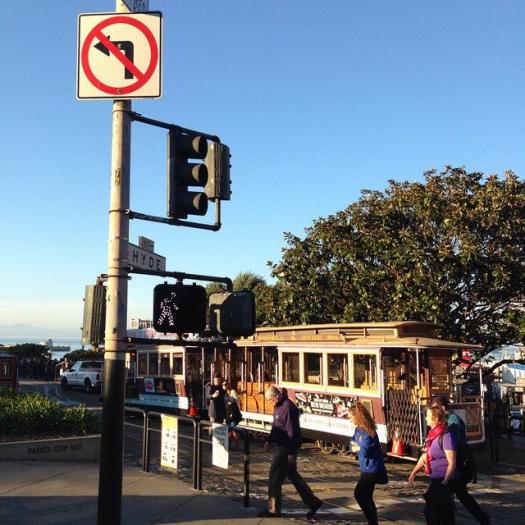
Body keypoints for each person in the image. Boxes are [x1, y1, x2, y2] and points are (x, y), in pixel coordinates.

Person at [258, 385, 323, 518]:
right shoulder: (278, 406)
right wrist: (269, 440)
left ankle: (274, 509)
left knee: (274, 476)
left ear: (276, 396)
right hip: (282, 444)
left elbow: (292, 432)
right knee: (292, 475)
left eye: (271, 400)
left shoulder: (287, 407)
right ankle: (313, 502)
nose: (270, 403)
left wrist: (291, 453)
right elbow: (276, 426)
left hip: (285, 446)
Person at [431, 397, 490, 525]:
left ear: (443, 407)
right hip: (450, 464)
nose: (433, 411)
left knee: (461, 495)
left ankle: (483, 518)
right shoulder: (445, 420)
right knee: (456, 495)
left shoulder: (453, 420)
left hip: (457, 462)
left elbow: (452, 443)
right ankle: (481, 518)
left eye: (436, 408)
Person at [408, 405, 457, 525]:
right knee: (432, 515)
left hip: (443, 482)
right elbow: (425, 456)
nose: (425, 418)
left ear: (435, 419)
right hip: (435, 481)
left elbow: (452, 462)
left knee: (440, 516)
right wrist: (413, 472)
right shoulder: (432, 435)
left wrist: (445, 481)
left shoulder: (446, 436)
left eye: (428, 416)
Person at [348, 402, 388, 525]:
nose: (349, 419)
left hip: (373, 469)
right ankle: (373, 522)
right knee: (367, 496)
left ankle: (372, 522)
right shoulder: (358, 429)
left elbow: (364, 451)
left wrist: (357, 447)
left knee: (359, 494)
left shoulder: (369, 432)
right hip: (366, 468)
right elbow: (351, 444)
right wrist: (356, 447)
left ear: (357, 416)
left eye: (350, 416)